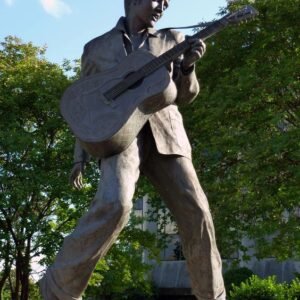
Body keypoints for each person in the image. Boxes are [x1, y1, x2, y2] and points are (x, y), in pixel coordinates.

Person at [39, 0, 226, 299]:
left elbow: (186, 95)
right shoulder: (96, 48)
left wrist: (188, 66)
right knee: (115, 205)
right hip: (119, 137)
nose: (163, 6)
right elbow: (85, 106)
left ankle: (212, 296)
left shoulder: (172, 39)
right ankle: (57, 289)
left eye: (167, 2)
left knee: (198, 212)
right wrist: (80, 156)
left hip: (167, 134)